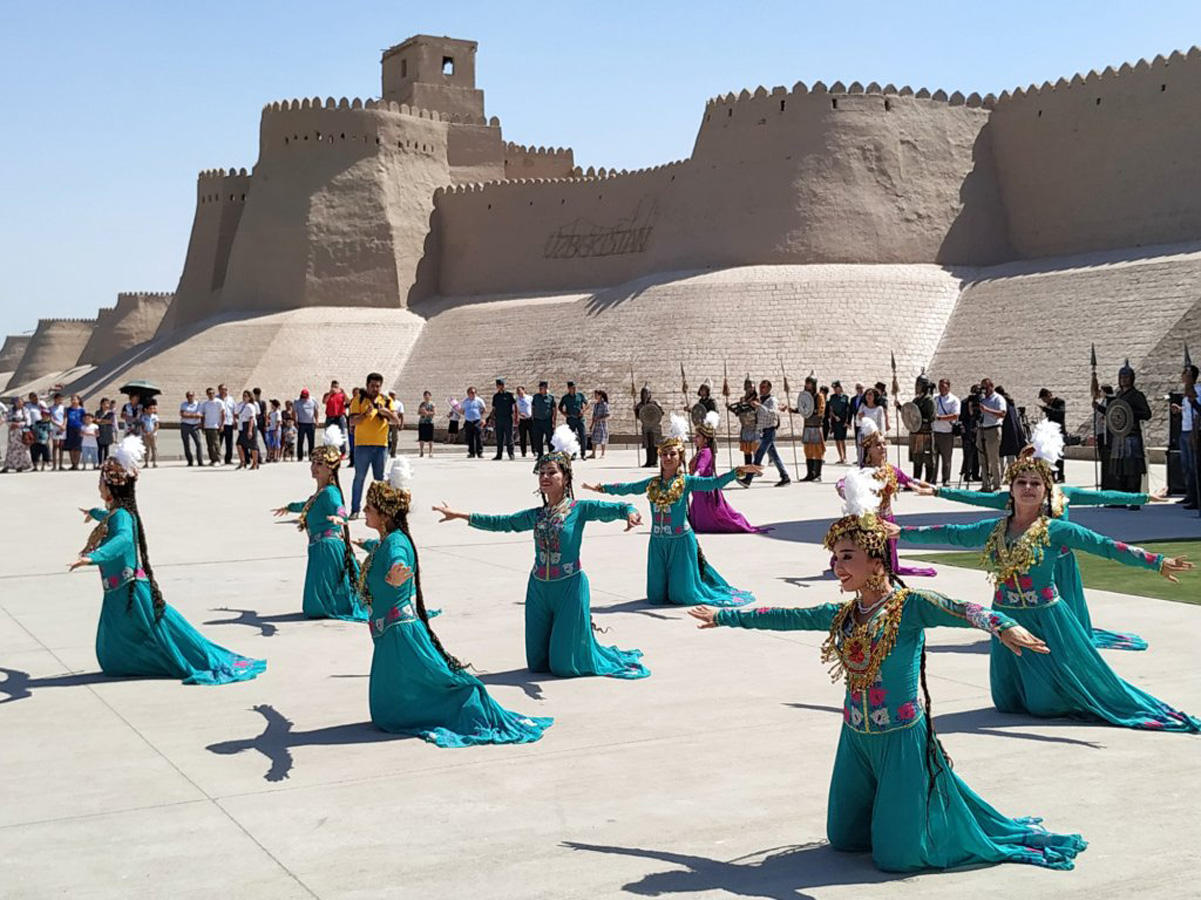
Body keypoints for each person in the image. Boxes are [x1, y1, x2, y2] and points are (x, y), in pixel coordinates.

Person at [687, 467, 1080, 873]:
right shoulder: (845, 613)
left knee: (896, 858)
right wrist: (727, 616)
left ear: (876, 561)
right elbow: (786, 616)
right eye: (835, 557)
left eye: (847, 557)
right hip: (855, 737)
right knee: (844, 839)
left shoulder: (909, 606)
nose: (837, 566)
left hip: (900, 739)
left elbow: (964, 609)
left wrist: (1004, 626)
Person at [893, 423, 1198, 732]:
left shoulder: (1056, 530)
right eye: (1021, 482)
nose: (1028, 487)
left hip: (1046, 618)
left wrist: (1156, 562)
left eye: (1035, 483)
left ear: (1045, 490)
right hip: (1006, 617)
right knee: (1008, 701)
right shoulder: (994, 529)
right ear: (1010, 489)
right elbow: (950, 534)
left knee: (1044, 705)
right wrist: (901, 532)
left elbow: (1106, 547)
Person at [359, 458, 554, 743]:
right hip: (389, 634)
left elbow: (398, 560)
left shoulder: (396, 544)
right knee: (388, 708)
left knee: (429, 691)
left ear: (385, 513)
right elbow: (384, 553)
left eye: (369, 508)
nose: (364, 511)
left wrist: (397, 576)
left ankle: (471, 702)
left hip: (400, 634)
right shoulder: (388, 539)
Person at [434, 425, 648, 679]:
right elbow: (501, 522)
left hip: (569, 587)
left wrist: (631, 513)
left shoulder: (580, 509)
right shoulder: (537, 515)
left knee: (563, 667)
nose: (545, 477)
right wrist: (460, 514)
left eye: (552, 472)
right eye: (541, 473)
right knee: (537, 663)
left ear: (565, 478)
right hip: (538, 588)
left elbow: (619, 506)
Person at [928, 432, 1168, 651]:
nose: (1034, 471)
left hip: (1062, 560)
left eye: (1040, 463)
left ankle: (1071, 638)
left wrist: (1145, 496)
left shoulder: (1065, 493)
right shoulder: (1014, 496)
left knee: (1068, 607)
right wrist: (940, 492)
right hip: (1031, 562)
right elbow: (975, 498)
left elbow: (1104, 495)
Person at [69, 435, 266, 684]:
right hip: (120, 592)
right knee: (120, 646)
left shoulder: (121, 517)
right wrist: (94, 513)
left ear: (110, 486)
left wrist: (93, 558)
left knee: (161, 635)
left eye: (101, 482)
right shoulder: (117, 513)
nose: (99, 486)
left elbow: (122, 540)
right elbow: (111, 524)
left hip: (130, 592)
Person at [584, 414, 761, 606]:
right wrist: (601, 487)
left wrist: (738, 472)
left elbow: (714, 483)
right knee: (656, 598)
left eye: (672, 454)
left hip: (680, 542)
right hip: (657, 542)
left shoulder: (687, 482)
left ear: (680, 457)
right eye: (664, 454)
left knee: (682, 596)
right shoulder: (652, 483)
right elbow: (628, 487)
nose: (668, 458)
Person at [272, 426, 366, 621]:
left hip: (328, 547)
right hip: (318, 547)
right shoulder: (321, 493)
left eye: (320, 464)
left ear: (330, 468)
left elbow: (339, 509)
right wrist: (289, 507)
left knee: (316, 606)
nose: (314, 467)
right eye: (313, 462)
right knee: (314, 605)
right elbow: (306, 505)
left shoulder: (331, 492)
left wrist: (341, 518)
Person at [845, 420, 936, 578]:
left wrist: (932, 488)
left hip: (889, 519)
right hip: (870, 521)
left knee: (890, 566)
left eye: (884, 444)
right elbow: (843, 484)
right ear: (868, 450)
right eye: (878, 445)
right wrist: (845, 491)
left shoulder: (890, 470)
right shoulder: (863, 473)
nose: (883, 448)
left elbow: (909, 480)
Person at [688, 411, 767, 534]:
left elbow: (701, 468)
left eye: (698, 436)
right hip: (699, 492)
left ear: (705, 439)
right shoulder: (701, 452)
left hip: (704, 491)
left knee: (711, 522)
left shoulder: (705, 452)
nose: (695, 439)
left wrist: (693, 477)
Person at [349, 373, 400, 517]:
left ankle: (380, 510)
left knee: (379, 480)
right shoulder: (358, 400)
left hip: (381, 446)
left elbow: (396, 421)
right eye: (372, 386)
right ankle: (355, 510)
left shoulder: (386, 400)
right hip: (362, 445)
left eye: (378, 386)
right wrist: (365, 414)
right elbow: (352, 422)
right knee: (359, 478)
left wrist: (386, 412)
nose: (375, 389)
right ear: (367, 385)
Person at [1098, 360, 1153, 495]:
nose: (1123, 380)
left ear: (1132, 379)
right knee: (1120, 470)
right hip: (1119, 437)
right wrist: (1099, 407)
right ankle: (1122, 497)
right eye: (1121, 377)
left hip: (1132, 436)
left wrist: (1130, 413)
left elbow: (1147, 414)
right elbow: (1114, 414)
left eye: (1126, 377)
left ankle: (1135, 498)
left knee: (1133, 470)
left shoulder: (1137, 395)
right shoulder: (1119, 395)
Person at [743, 379, 790, 487]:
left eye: (763, 387)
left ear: (769, 388)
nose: (761, 389)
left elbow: (773, 413)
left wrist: (759, 406)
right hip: (763, 431)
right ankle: (785, 476)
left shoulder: (772, 400)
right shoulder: (761, 400)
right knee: (774, 456)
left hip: (770, 430)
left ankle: (748, 479)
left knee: (759, 455)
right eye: (760, 387)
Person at [1173, 363, 1201, 509]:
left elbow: (1198, 412)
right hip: (1184, 430)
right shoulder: (1185, 393)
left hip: (1193, 431)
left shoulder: (1198, 390)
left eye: (1185, 373)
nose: (1183, 376)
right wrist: (1181, 409)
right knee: (1185, 466)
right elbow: (1189, 409)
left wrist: (1193, 401)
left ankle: (1197, 497)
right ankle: (1189, 494)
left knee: (1193, 465)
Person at [978, 378, 1006, 491]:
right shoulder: (982, 399)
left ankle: (997, 485)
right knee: (982, 459)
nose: (984, 390)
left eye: (985, 387)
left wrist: (987, 410)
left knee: (993, 459)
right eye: (982, 387)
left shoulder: (998, 398)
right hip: (982, 429)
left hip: (993, 429)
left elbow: (1002, 413)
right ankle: (985, 484)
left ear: (991, 386)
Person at [932, 378, 960, 487]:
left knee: (946, 458)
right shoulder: (934, 398)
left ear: (948, 387)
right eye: (940, 386)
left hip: (946, 432)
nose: (941, 389)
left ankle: (946, 479)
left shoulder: (954, 400)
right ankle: (932, 479)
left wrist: (940, 418)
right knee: (933, 458)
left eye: (943, 386)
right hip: (935, 431)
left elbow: (955, 415)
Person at [908, 375, 936, 484]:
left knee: (928, 458)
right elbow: (910, 413)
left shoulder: (929, 400)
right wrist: (900, 407)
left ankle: (928, 482)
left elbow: (932, 417)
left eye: (918, 385)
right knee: (917, 459)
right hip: (916, 433)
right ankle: (916, 481)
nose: (916, 387)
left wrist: (920, 421)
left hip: (926, 433)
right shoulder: (916, 400)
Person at [796, 375, 823, 483]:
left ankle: (817, 474)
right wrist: (793, 410)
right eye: (807, 383)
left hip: (816, 426)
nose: (808, 385)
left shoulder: (818, 396)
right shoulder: (805, 396)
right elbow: (802, 408)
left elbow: (821, 410)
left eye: (810, 383)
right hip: (807, 426)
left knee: (817, 451)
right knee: (808, 451)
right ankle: (809, 473)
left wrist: (812, 411)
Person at [728, 378, 759, 467]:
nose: (750, 389)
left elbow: (757, 410)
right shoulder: (742, 400)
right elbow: (738, 412)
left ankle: (756, 467)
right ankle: (748, 467)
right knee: (746, 449)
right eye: (748, 387)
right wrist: (730, 408)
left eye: (752, 387)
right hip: (745, 427)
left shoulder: (757, 399)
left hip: (754, 427)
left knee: (755, 449)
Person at [1037, 388, 1066, 483]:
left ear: (1049, 395)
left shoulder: (1060, 402)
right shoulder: (1048, 406)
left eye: (1045, 398)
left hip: (1058, 432)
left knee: (1059, 455)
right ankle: (1052, 475)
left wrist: (1047, 409)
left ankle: (1060, 476)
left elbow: (1060, 413)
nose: (1044, 401)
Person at [854, 388, 886, 467]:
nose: (868, 396)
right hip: (863, 435)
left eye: (870, 394)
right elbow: (857, 423)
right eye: (867, 394)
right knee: (862, 454)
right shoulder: (862, 407)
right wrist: (860, 418)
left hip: (874, 436)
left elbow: (881, 424)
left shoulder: (879, 409)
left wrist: (880, 436)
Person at [634, 385, 664, 468]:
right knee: (648, 444)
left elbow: (661, 413)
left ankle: (655, 461)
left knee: (655, 444)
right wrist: (635, 410)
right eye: (643, 393)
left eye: (646, 393)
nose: (645, 395)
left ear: (649, 394)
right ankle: (648, 461)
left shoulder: (655, 403)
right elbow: (638, 416)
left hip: (655, 426)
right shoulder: (640, 405)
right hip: (646, 426)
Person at [559, 380, 588, 459]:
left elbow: (587, 404)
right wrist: (564, 413)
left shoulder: (580, 395)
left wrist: (583, 410)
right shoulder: (565, 398)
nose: (574, 389)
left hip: (579, 419)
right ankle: (573, 453)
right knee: (572, 437)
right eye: (572, 388)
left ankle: (583, 453)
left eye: (575, 387)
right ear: (569, 388)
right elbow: (560, 407)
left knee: (582, 436)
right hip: (571, 419)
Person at [997, 386, 1024, 472]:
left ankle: (1000, 474)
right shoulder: (1010, 403)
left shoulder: (1002, 402)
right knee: (1011, 455)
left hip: (1005, 430)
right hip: (1013, 431)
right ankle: (1012, 473)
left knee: (1000, 454)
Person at [3, 397, 33, 473]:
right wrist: (12, 424)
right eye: (18, 402)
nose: (19, 403)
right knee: (12, 449)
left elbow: (28, 421)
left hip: (22, 433)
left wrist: (19, 424)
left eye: (20, 402)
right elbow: (6, 420)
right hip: (13, 433)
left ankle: (21, 466)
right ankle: (9, 465)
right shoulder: (10, 411)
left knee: (22, 449)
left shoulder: (25, 410)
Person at [456, 386, 486, 459]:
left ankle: (480, 452)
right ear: (468, 393)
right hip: (468, 421)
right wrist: (459, 411)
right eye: (471, 392)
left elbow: (484, 410)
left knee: (479, 437)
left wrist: (483, 419)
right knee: (470, 438)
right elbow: (462, 411)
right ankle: (471, 453)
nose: (473, 394)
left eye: (474, 392)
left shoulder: (479, 400)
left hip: (477, 421)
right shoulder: (465, 401)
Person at [491, 378, 516, 460]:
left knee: (509, 437)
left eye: (502, 385)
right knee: (499, 437)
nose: (501, 387)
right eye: (499, 385)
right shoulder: (496, 396)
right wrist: (492, 418)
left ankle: (511, 454)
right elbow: (494, 408)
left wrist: (516, 417)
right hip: (499, 419)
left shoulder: (509, 395)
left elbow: (515, 406)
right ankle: (499, 455)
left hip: (508, 418)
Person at [827, 380, 851, 465]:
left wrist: (848, 422)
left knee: (842, 439)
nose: (835, 390)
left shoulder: (845, 397)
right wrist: (834, 417)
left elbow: (848, 410)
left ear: (840, 388)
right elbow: (831, 409)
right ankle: (840, 457)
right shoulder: (832, 397)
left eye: (836, 388)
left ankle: (845, 457)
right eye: (834, 388)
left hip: (843, 421)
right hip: (835, 421)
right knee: (837, 439)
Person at [235, 390, 260, 470]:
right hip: (243, 426)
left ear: (250, 397)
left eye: (246, 396)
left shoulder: (250, 406)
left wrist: (250, 430)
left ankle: (255, 463)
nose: (244, 397)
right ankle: (243, 462)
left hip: (250, 426)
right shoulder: (242, 405)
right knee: (239, 444)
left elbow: (251, 418)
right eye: (243, 395)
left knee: (253, 445)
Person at [322, 380, 349, 454]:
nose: (335, 388)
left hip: (340, 416)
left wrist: (344, 393)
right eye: (333, 387)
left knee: (342, 433)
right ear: (331, 387)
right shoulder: (327, 394)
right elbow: (324, 402)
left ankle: (343, 452)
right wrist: (330, 394)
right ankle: (327, 451)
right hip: (330, 417)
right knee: (327, 434)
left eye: (336, 387)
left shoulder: (342, 395)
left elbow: (348, 402)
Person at [199, 388, 224, 466]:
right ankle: (212, 459)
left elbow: (223, 414)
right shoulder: (205, 403)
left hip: (215, 425)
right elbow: (202, 415)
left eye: (213, 393)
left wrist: (222, 424)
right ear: (207, 394)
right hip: (207, 426)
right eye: (209, 393)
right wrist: (202, 426)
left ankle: (218, 459)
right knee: (209, 444)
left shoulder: (219, 402)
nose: (211, 395)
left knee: (216, 443)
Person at [294, 388, 319, 462]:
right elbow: (294, 412)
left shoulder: (313, 400)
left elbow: (316, 410)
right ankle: (300, 456)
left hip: (310, 423)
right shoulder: (297, 401)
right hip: (301, 423)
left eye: (306, 397)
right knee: (300, 440)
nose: (304, 398)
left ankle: (311, 456)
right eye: (303, 397)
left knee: (311, 440)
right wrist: (295, 422)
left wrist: (316, 420)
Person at [179, 391, 203, 467]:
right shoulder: (184, 404)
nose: (190, 397)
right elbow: (182, 414)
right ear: (187, 397)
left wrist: (188, 415)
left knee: (198, 443)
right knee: (186, 443)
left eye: (192, 395)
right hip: (185, 425)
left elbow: (199, 415)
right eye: (188, 396)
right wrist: (193, 415)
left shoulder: (198, 404)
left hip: (195, 425)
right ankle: (190, 461)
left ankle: (200, 461)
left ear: (194, 396)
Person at [65, 394, 85, 470]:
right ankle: (73, 463)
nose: (73, 401)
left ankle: (76, 464)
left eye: (75, 399)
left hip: (79, 429)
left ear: (78, 400)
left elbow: (83, 420)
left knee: (78, 447)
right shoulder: (68, 409)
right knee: (71, 447)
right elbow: (66, 418)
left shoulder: (81, 410)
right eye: (72, 399)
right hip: (70, 429)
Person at [218, 384, 237, 465]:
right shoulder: (216, 399)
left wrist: (235, 421)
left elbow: (234, 411)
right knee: (218, 442)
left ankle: (228, 459)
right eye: (221, 389)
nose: (223, 391)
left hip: (229, 423)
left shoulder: (231, 399)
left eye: (225, 389)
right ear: (219, 390)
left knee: (229, 443)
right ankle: (217, 459)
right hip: (219, 424)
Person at [588, 389, 609, 459]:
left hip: (602, 424)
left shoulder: (604, 404)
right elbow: (593, 416)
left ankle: (603, 453)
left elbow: (607, 414)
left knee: (603, 438)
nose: (595, 396)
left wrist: (600, 419)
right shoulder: (596, 405)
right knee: (594, 439)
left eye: (596, 395)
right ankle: (593, 453)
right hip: (596, 424)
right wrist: (591, 425)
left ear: (600, 395)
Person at [96, 398, 116, 464]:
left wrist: (101, 421)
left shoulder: (111, 413)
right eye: (104, 404)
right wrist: (104, 421)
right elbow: (96, 421)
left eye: (107, 404)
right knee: (100, 448)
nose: (106, 405)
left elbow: (111, 421)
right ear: (101, 405)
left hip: (108, 432)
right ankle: (99, 463)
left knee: (106, 448)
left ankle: (105, 463)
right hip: (100, 432)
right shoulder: (98, 412)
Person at [49, 393, 66, 471]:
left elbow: (65, 417)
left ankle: (61, 464)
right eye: (59, 399)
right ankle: (54, 465)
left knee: (61, 446)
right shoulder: (51, 408)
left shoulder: (63, 408)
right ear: (55, 399)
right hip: (55, 427)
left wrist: (64, 425)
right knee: (55, 446)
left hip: (62, 428)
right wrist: (59, 425)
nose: (60, 400)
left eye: (61, 399)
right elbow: (51, 419)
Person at [515, 385, 533, 457]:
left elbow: (533, 407)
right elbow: (516, 409)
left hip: (530, 419)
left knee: (532, 436)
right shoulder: (517, 399)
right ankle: (523, 452)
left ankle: (534, 450)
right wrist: (518, 415)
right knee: (522, 437)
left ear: (523, 390)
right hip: (522, 420)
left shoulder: (530, 398)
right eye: (517, 391)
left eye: (520, 390)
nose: (519, 392)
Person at [140, 403, 159, 468]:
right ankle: (146, 463)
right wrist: (146, 432)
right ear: (146, 409)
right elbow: (142, 426)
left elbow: (157, 425)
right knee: (146, 449)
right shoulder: (143, 417)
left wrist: (152, 432)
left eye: (153, 408)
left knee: (154, 448)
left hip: (153, 435)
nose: (152, 410)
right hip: (146, 435)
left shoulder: (155, 416)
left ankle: (154, 462)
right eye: (150, 409)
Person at [417, 392, 436, 457]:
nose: (426, 397)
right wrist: (422, 413)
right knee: (421, 438)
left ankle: (430, 452)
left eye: (427, 396)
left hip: (430, 422)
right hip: (422, 422)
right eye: (425, 396)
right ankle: (421, 450)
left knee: (430, 438)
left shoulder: (432, 404)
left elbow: (434, 413)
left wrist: (427, 413)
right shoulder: (422, 404)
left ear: (430, 396)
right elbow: (418, 412)